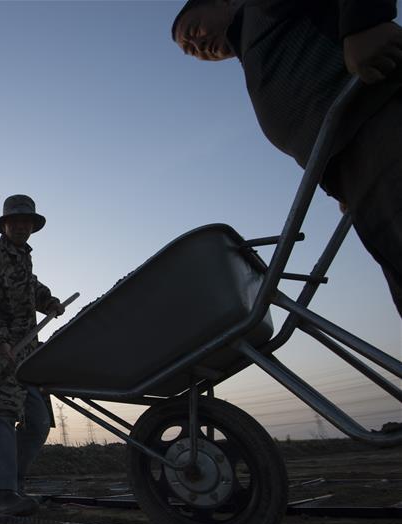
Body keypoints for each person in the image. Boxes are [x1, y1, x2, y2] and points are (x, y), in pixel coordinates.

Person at [171, 0, 402, 316]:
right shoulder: (253, 52)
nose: (197, 45)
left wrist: (364, 23)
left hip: (379, 117)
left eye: (194, 31)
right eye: (190, 50)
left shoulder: (259, 9)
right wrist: (340, 186)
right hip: (354, 170)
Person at [0, 194, 65, 516]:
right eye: (16, 221)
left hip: (25, 350)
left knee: (38, 421)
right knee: (3, 410)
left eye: (27, 222)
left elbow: (28, 286)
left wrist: (47, 301)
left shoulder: (22, 257)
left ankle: (14, 483)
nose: (22, 227)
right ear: (4, 224)